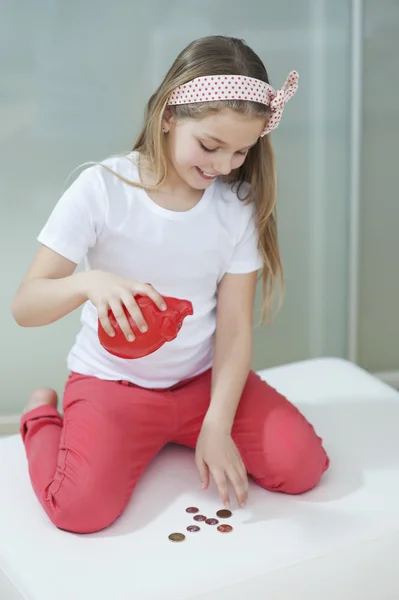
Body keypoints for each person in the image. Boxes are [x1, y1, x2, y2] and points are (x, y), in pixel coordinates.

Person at [12, 35, 329, 534]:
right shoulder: (101, 189)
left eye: (241, 152)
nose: (223, 166)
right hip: (113, 386)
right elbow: (25, 306)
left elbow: (234, 330)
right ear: (167, 116)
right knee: (77, 512)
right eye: (210, 146)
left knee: (303, 467)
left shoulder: (235, 206)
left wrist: (217, 424)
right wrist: (88, 283)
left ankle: (188, 430)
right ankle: (40, 416)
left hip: (203, 384)